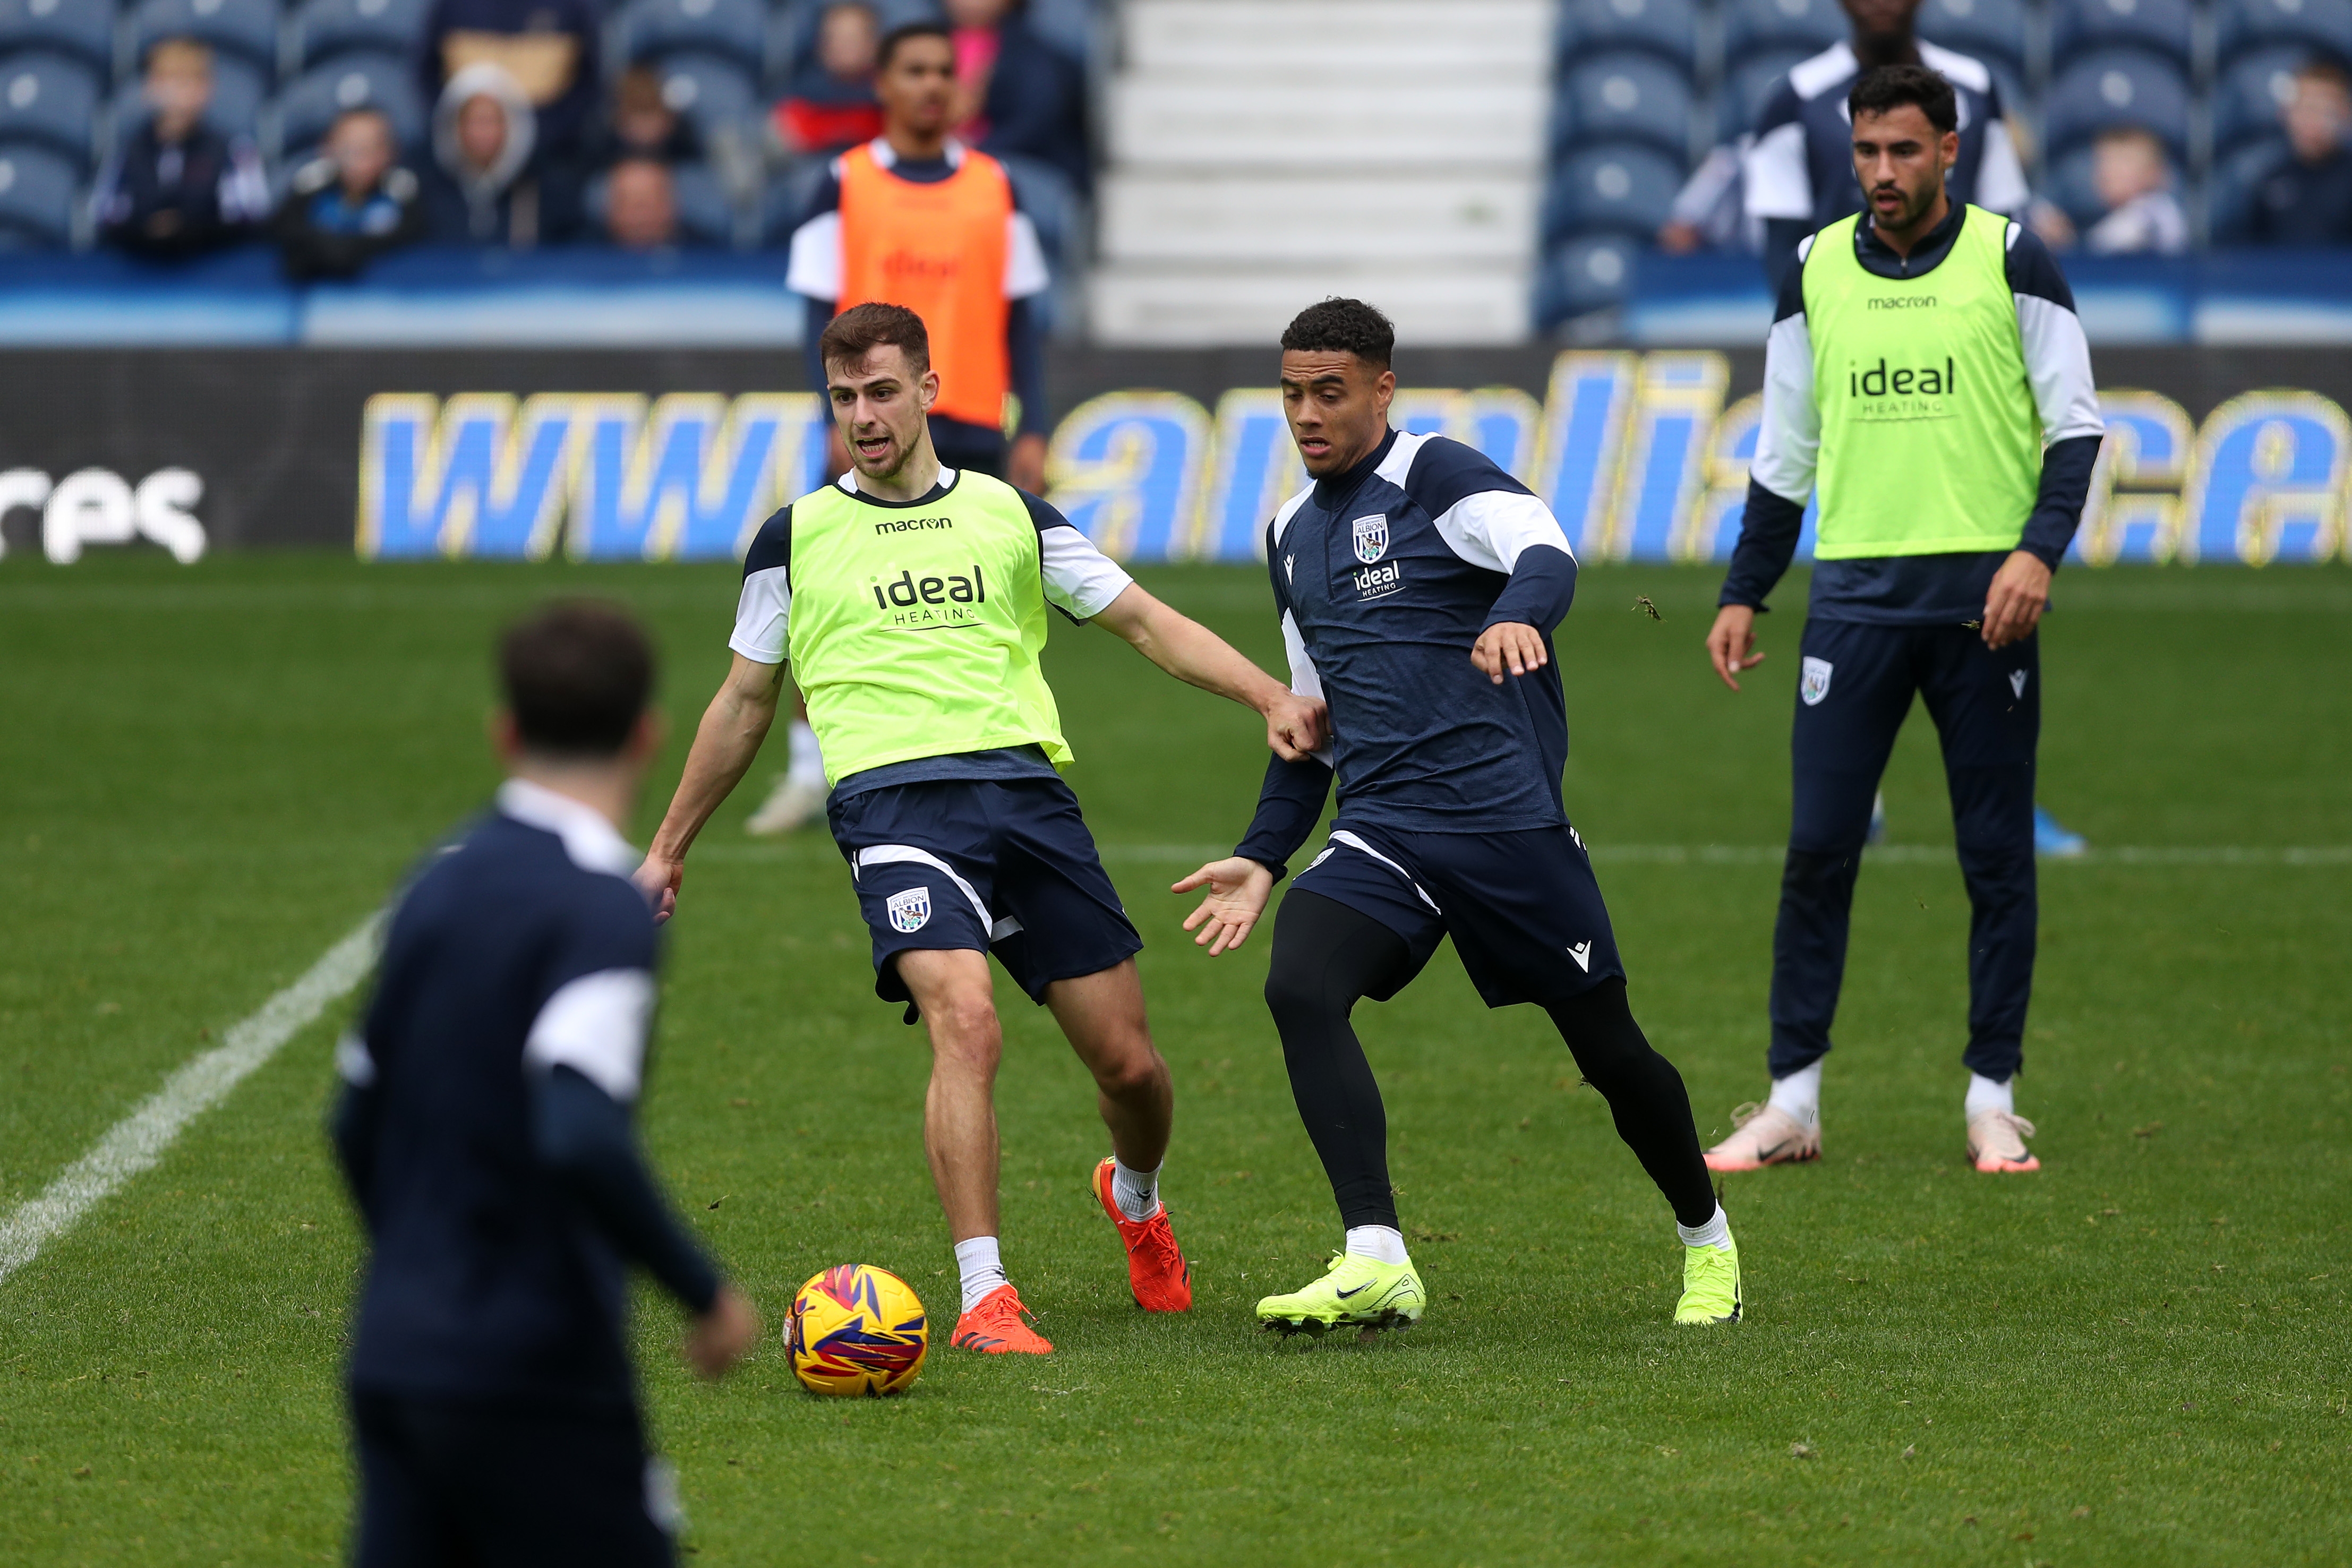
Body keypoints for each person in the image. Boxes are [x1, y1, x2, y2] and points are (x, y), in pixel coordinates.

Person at [636, 303, 1324, 1357]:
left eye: (880, 392)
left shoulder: (1011, 513)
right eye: (843, 399)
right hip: (893, 807)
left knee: (1131, 1070)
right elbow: (741, 703)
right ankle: (985, 1296)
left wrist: (1265, 695)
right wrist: (669, 843)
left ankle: (1135, 1199)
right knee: (967, 1022)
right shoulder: (795, 536)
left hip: (1027, 801)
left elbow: (1145, 621)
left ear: (926, 390)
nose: (863, 418)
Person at [1173, 297, 1744, 1335]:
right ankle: (1377, 1255)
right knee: (1301, 980)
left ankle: (1707, 1239)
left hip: (1505, 828)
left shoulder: (1436, 474)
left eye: (1330, 393)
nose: (1307, 413)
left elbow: (1545, 550)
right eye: (1292, 393)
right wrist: (1263, 855)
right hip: (1384, 830)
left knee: (1612, 1055)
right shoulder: (1289, 536)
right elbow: (1311, 726)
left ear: (1382, 390)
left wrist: (1518, 610)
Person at [1700, 65, 2104, 1178]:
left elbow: (2074, 428)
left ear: (1949, 153)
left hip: (1988, 608)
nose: (1882, 172)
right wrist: (1746, 588)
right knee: (1820, 851)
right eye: (1867, 152)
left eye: (1904, 152)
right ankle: (1791, 1103)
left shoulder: (2011, 256)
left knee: (1993, 856)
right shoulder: (1815, 266)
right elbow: (1784, 452)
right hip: (1855, 608)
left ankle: (1991, 1097)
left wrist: (2035, 552)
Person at [333, 601, 760, 1567]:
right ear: (648, 736)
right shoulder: (599, 907)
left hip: (396, 1352)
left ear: (505, 731)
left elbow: (353, 1115)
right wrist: (702, 1291)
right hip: (536, 1365)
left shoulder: (431, 886)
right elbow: (577, 1126)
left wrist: (425, 1258)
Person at [763, 19, 1058, 836]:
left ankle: (977, 752)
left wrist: (1033, 422)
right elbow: (816, 312)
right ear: (884, 85)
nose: (932, 84)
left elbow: (1023, 319)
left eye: (942, 71)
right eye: (915, 71)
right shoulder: (843, 182)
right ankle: (803, 769)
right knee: (824, 595)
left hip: (969, 420)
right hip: (874, 424)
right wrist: (832, 408)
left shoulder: (997, 186)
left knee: (979, 598)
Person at [1743, 0, 2029, 290]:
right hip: (1845, 305)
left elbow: (2001, 218)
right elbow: (1784, 242)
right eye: (1866, 151)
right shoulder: (1796, 98)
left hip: (1960, 303)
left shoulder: (1977, 87)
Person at [92, 39, 270, 260]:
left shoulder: (233, 149)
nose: (179, 93)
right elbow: (106, 218)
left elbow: (251, 220)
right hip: (140, 276)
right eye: (170, 80)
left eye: (191, 81)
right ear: (150, 87)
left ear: (207, 89)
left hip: (212, 275)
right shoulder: (127, 150)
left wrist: (189, 231)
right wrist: (150, 232)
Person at [420, 63, 580, 247]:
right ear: (455, 127)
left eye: (492, 121)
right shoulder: (427, 189)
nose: (482, 133)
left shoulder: (546, 189)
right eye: (473, 121)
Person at [417, 0, 599, 161]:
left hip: (554, 158)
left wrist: (550, 135)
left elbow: (588, 83)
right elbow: (427, 74)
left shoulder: (573, 7)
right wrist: (455, 132)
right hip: (462, 166)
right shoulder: (452, 7)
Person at [945, 0, 1090, 195]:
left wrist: (971, 152)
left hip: (1019, 163)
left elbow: (1034, 123)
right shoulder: (926, 42)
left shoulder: (1036, 57)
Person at [273, 107, 427, 281]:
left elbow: (414, 238)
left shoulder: (403, 190)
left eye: (371, 147)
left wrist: (352, 250)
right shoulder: (310, 187)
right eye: (350, 148)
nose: (360, 159)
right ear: (328, 148)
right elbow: (284, 231)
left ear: (390, 152)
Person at [2246, 61, 2352, 245]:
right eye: (2304, 108)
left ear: (2344, 114)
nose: (2311, 119)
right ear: (2286, 114)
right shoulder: (2270, 180)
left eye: (2323, 110)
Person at [773, 2, 885, 159]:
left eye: (852, 40)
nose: (844, 48)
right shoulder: (802, 98)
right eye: (836, 39)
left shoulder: (887, 99)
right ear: (822, 45)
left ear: (873, 44)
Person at [593, 64, 703, 170]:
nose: (645, 129)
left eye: (651, 116)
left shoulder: (686, 147)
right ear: (618, 120)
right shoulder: (601, 151)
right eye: (637, 119)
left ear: (670, 118)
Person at [604, 157, 681, 250]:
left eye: (649, 205)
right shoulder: (588, 248)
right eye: (633, 206)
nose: (641, 218)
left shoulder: (700, 249)